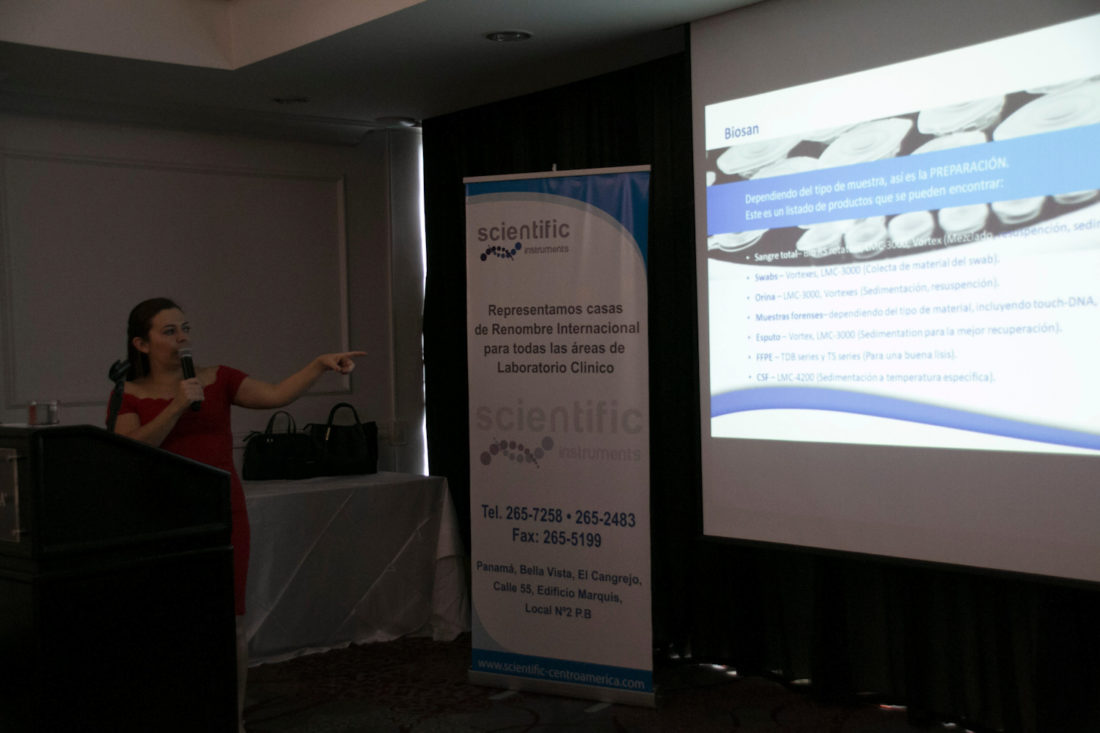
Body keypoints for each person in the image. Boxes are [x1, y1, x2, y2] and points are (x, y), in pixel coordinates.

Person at [110, 297, 365, 731]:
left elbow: (276, 395)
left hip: (222, 514)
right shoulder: (128, 394)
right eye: (169, 331)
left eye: (185, 328)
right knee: (170, 621)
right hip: (161, 520)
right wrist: (176, 405)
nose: (182, 337)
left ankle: (232, 719)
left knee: (229, 620)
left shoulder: (219, 378)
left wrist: (318, 365)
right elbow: (129, 450)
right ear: (141, 343)